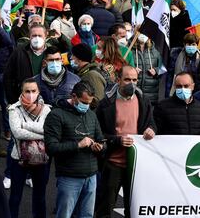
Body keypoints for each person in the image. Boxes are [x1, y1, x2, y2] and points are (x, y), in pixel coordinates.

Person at [95, 66, 156, 218]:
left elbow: (151, 123)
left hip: (135, 165)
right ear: (118, 80)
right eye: (127, 79)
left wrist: (151, 129)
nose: (132, 83)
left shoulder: (144, 101)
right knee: (105, 208)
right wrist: (117, 140)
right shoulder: (106, 104)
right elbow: (97, 133)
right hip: (113, 163)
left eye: (134, 80)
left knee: (134, 208)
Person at [44, 82, 105, 218]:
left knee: (87, 215)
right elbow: (51, 147)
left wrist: (100, 147)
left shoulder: (91, 115)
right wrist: (78, 145)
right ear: (74, 96)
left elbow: (101, 139)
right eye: (84, 102)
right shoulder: (56, 115)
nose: (87, 106)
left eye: (89, 102)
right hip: (69, 177)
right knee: (65, 215)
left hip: (91, 176)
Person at [8, 78, 51, 218]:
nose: (30, 94)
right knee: (15, 196)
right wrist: (41, 134)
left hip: (41, 159)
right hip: (19, 159)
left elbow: (48, 131)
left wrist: (25, 125)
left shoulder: (47, 109)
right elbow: (17, 132)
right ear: (22, 92)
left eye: (33, 91)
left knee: (40, 197)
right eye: (27, 91)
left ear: (38, 91)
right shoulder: (14, 109)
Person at [4, 23, 48, 104]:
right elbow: (8, 76)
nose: (37, 38)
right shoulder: (19, 52)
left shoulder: (51, 53)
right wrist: (12, 99)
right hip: (22, 98)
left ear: (45, 36)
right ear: (29, 36)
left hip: (45, 98)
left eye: (40, 35)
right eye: (34, 35)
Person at [71, 43, 106, 107]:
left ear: (79, 59)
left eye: (73, 56)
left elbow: (99, 100)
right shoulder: (82, 72)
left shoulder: (92, 75)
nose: (71, 58)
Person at [133, 33, 162, 106]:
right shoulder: (130, 49)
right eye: (140, 32)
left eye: (145, 33)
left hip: (151, 93)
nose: (143, 35)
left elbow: (163, 68)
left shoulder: (156, 50)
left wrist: (156, 71)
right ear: (136, 33)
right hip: (134, 91)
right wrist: (132, 70)